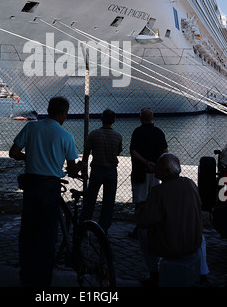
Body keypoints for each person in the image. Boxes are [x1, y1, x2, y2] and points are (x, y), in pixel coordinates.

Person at [9, 96, 82, 287]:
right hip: (51, 187)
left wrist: (30, 158)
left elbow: (14, 152)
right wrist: (81, 165)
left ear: (48, 110)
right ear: (64, 114)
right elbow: (72, 170)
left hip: (31, 185)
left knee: (27, 232)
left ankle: (26, 276)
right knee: (47, 235)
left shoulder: (32, 127)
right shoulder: (67, 136)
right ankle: (43, 280)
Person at [136, 153, 206, 287]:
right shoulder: (190, 183)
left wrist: (141, 208)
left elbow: (143, 221)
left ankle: (154, 274)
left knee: (142, 232)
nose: (155, 169)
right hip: (193, 243)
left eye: (158, 167)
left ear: (165, 172)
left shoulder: (158, 191)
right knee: (202, 237)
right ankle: (203, 273)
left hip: (171, 246)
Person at [79, 109, 123, 233]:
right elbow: (118, 152)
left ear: (101, 119)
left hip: (96, 170)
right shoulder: (118, 136)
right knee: (109, 201)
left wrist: (83, 170)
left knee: (90, 199)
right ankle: (104, 228)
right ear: (114, 121)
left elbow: (86, 154)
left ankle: (84, 224)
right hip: (111, 171)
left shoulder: (93, 134)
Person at [129, 108, 168, 238]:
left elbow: (133, 151)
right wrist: (156, 165)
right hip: (156, 172)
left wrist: (146, 162)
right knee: (154, 201)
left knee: (140, 202)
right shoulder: (159, 132)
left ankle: (139, 228)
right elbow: (165, 151)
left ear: (140, 119)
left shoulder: (137, 132)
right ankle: (153, 227)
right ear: (153, 118)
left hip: (140, 171)